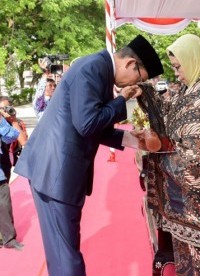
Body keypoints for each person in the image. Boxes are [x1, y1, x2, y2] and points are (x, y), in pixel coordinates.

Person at [14, 35, 163, 275]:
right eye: (139, 79)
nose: (132, 86)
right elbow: (88, 124)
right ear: (130, 64)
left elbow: (95, 128)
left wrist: (133, 139)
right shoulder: (93, 67)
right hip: (56, 172)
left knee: (61, 252)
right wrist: (121, 99)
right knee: (66, 255)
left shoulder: (98, 68)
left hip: (55, 170)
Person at [140, 34, 200, 275]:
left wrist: (158, 153)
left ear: (194, 60)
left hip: (199, 195)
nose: (176, 73)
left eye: (178, 67)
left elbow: (197, 158)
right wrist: (143, 94)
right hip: (182, 193)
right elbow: (166, 113)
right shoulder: (190, 90)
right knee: (185, 256)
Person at [0, 99, 28, 250]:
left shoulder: (13, 121)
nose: (6, 110)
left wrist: (12, 120)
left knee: (3, 204)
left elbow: (20, 140)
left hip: (4, 165)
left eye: (8, 107)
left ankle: (7, 238)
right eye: (3, 108)